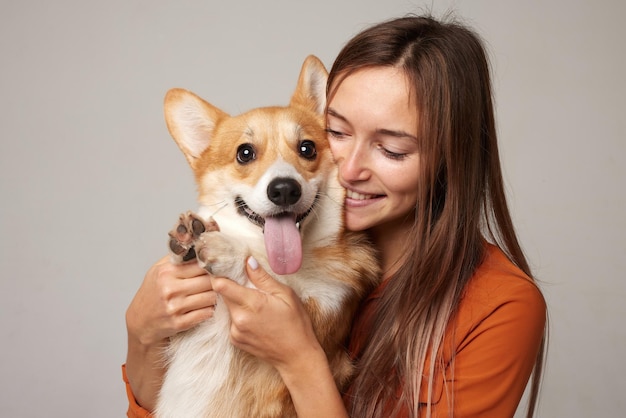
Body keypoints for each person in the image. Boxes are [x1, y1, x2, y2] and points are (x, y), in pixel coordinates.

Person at [123, 14, 547, 418]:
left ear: (450, 158)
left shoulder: (500, 305)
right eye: (337, 133)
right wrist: (141, 333)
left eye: (392, 149)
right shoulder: (256, 243)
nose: (347, 169)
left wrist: (300, 359)